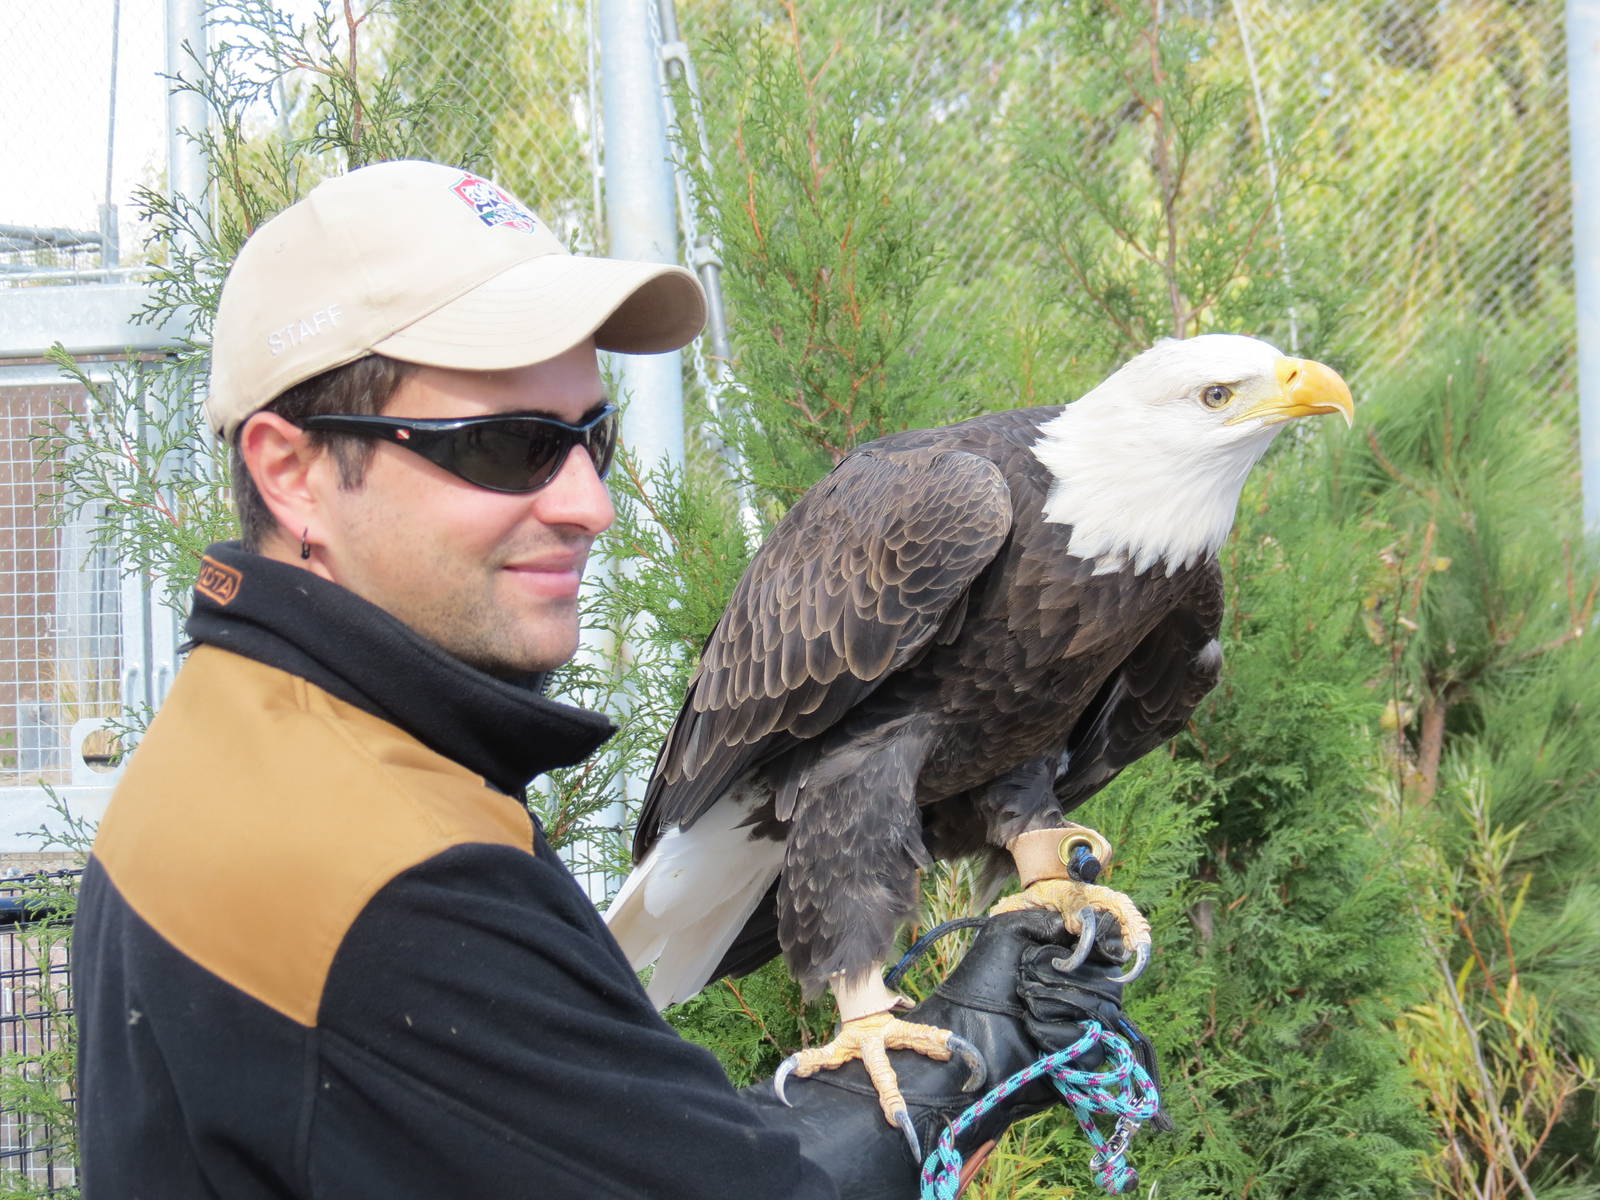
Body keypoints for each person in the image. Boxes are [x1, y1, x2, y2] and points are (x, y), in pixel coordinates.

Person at [72, 160, 1146, 1198]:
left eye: (595, 436)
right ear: (292, 471)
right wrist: (972, 1052)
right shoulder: (378, 878)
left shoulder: (240, 746)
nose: (590, 505)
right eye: (506, 445)